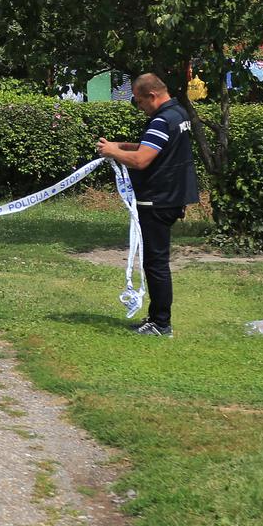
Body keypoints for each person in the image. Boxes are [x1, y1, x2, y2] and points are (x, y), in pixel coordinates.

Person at [96, 73, 199, 336]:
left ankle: (161, 323)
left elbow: (142, 160)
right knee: (155, 261)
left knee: (155, 262)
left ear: (152, 96)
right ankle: (155, 318)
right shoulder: (178, 113)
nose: (140, 108)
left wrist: (112, 151)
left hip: (157, 199)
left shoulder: (161, 120)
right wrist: (122, 145)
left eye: (140, 102)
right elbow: (153, 148)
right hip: (172, 196)